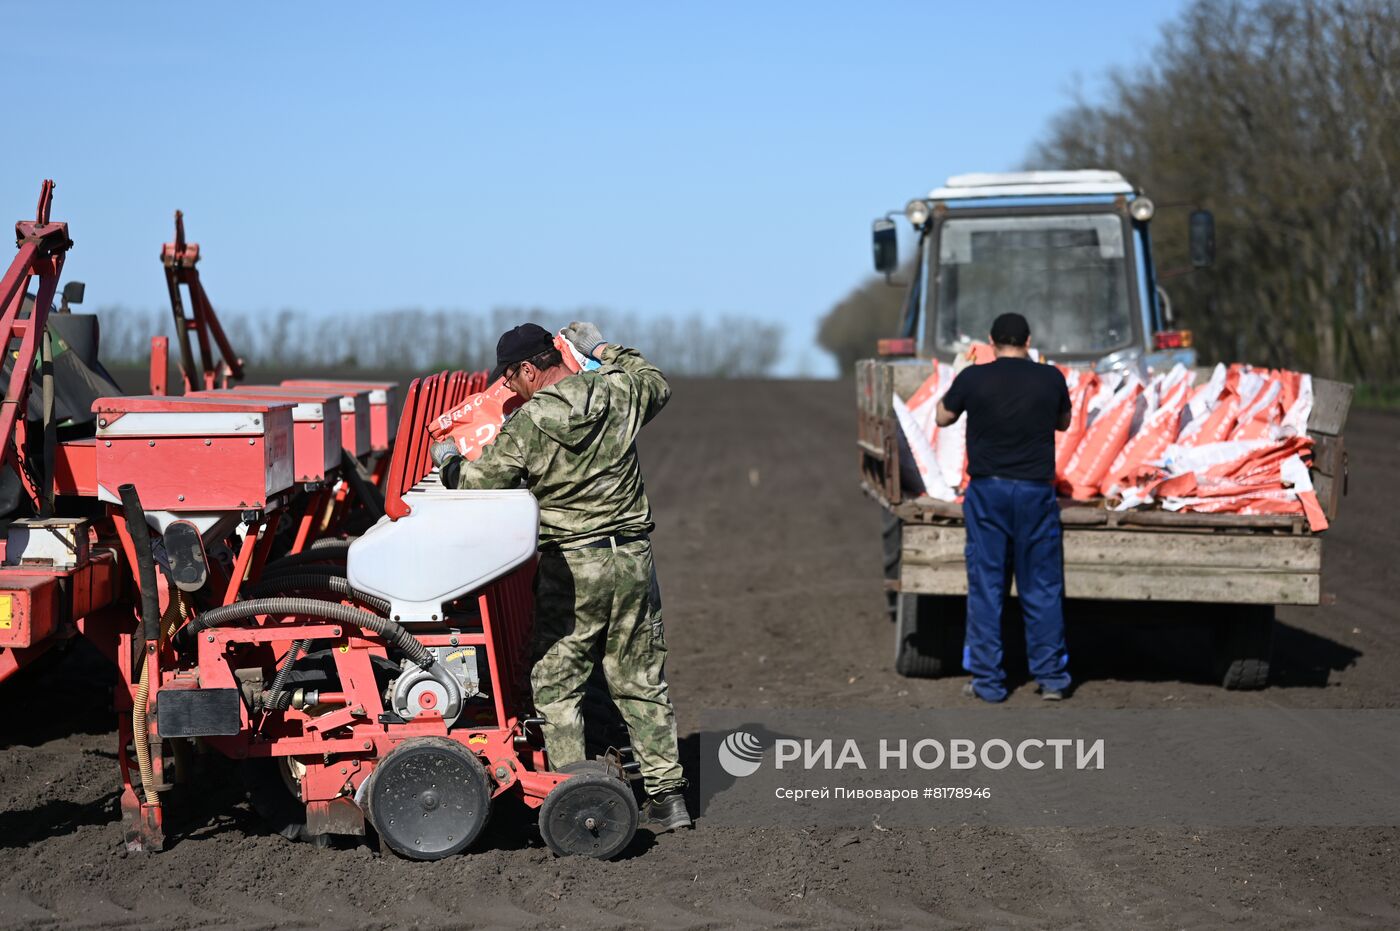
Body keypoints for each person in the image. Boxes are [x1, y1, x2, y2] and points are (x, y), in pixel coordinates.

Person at [429, 321, 691, 831]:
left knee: (557, 682)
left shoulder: (531, 423)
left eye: (511, 380)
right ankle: (669, 799)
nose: (510, 391)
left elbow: (481, 483)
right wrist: (599, 346)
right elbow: (654, 378)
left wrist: (448, 463)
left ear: (529, 369)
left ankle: (575, 794)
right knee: (639, 678)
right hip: (633, 558)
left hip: (573, 567)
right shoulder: (616, 391)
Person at [936, 312, 1073, 703]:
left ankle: (989, 683)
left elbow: (941, 418)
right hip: (1035, 494)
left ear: (990, 341)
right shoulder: (1051, 378)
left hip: (988, 493)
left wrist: (960, 375)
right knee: (1042, 586)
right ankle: (1051, 680)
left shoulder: (974, 378)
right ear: (1029, 340)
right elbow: (1063, 423)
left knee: (987, 586)